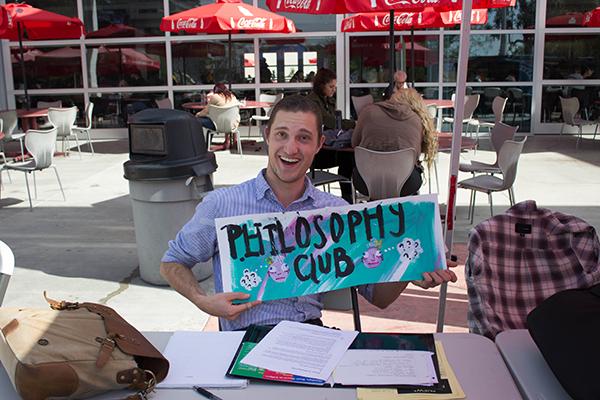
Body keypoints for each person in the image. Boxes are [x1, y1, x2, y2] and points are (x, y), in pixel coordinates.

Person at [160, 95, 457, 331]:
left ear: (319, 144)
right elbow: (172, 262)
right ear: (267, 136)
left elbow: (377, 297)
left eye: (303, 137)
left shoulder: (337, 214)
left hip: (311, 336)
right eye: (282, 134)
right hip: (244, 341)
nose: (291, 147)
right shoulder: (222, 205)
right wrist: (203, 301)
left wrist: (409, 267)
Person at [352, 87, 437, 197]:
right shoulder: (417, 120)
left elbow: (354, 143)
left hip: (365, 181)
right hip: (406, 182)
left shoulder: (368, 112)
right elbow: (417, 152)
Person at [306, 68, 355, 203]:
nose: (334, 90)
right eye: (331, 86)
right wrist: (355, 124)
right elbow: (331, 122)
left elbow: (336, 125)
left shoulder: (327, 100)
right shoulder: (313, 103)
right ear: (321, 86)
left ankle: (349, 195)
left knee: (351, 157)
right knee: (349, 157)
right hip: (316, 154)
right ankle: (348, 197)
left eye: (335, 86)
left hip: (327, 147)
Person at [195, 83, 240, 148]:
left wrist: (197, 115)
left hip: (218, 126)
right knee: (210, 119)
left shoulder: (215, 97)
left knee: (197, 120)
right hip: (232, 126)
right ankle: (231, 143)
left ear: (215, 90)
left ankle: (203, 146)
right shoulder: (232, 96)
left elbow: (205, 111)